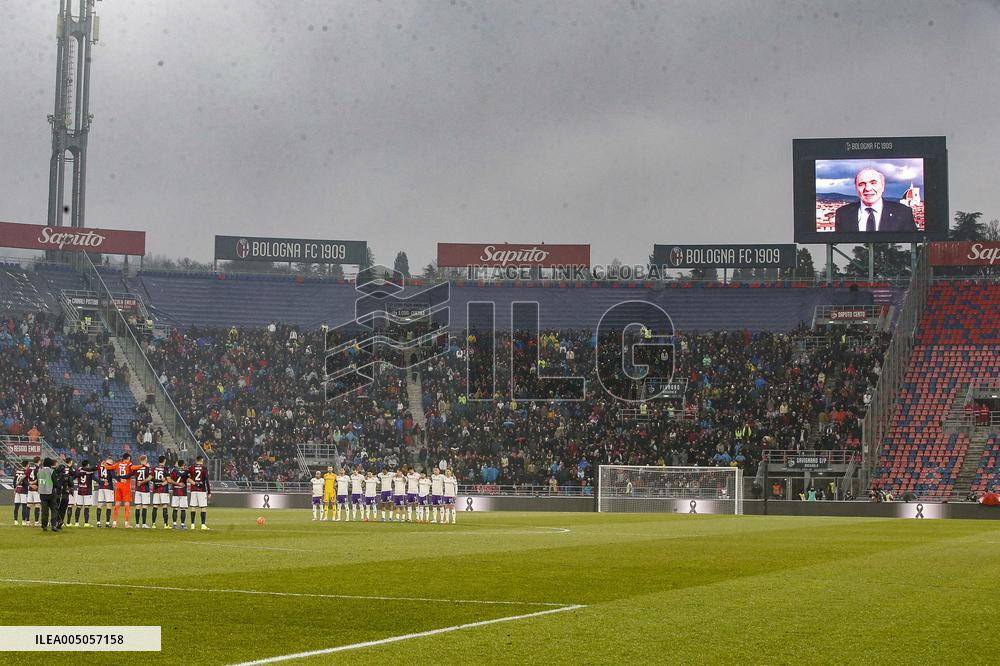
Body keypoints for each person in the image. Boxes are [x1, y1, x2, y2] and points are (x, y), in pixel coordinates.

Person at [834, 168, 918, 233]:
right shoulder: (843, 213)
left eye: (873, 183)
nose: (867, 188)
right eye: (861, 184)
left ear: (883, 186)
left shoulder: (903, 212)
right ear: (856, 188)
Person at [188, 455, 211, 530]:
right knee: (203, 507)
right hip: (202, 490)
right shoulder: (204, 468)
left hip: (193, 490)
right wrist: (209, 492)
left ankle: (192, 525)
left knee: (193, 506)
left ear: (196, 460)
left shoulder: (191, 468)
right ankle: (203, 525)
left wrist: (195, 483)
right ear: (201, 460)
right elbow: (207, 481)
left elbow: (188, 479)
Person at [37, 458, 60, 532]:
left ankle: (44, 526)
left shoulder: (39, 471)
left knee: (44, 511)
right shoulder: (51, 471)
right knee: (54, 509)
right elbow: (55, 483)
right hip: (50, 493)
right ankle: (53, 525)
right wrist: (58, 487)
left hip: (42, 493)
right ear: (50, 464)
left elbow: (38, 482)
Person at [111, 453, 135, 528]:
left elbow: (112, 472)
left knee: (117, 504)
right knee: (127, 504)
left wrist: (119, 478)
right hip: (126, 486)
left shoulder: (118, 464)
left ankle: (114, 523)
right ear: (128, 458)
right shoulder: (129, 464)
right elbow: (132, 472)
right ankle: (126, 523)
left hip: (118, 485)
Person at [168, 459, 191, 529]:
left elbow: (170, 480)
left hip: (175, 492)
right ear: (183, 465)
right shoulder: (186, 472)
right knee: (183, 509)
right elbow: (189, 478)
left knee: (175, 509)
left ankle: (174, 524)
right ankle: (182, 524)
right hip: (183, 492)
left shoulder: (174, 471)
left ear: (178, 465)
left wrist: (176, 484)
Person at [73, 460, 95, 527]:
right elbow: (94, 478)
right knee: (86, 507)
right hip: (87, 491)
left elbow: (74, 476)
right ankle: (86, 523)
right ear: (87, 465)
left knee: (78, 506)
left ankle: (76, 523)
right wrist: (101, 482)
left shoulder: (79, 470)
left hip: (80, 490)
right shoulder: (90, 471)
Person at [132, 455, 153, 529]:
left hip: (138, 489)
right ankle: (144, 524)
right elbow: (150, 478)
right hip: (145, 489)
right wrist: (142, 482)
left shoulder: (137, 468)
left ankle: (137, 524)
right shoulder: (148, 468)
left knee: (137, 506)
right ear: (145, 460)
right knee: (144, 506)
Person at [96, 455, 115, 528]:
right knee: (109, 505)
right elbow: (113, 476)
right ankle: (107, 523)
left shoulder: (100, 466)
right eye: (112, 462)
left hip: (101, 487)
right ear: (110, 461)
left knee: (100, 504)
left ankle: (98, 522)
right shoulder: (110, 467)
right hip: (108, 487)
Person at [151, 456, 170, 528]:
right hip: (164, 490)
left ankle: (153, 524)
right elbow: (168, 480)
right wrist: (161, 483)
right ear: (164, 460)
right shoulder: (166, 469)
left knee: (155, 506)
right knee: (164, 506)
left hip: (156, 489)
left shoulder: (154, 468)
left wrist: (157, 483)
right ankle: (166, 525)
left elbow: (151, 479)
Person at [25, 456, 41, 527]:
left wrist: (30, 484)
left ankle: (27, 522)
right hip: (36, 489)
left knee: (28, 505)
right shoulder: (38, 469)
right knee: (37, 505)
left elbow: (24, 478)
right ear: (39, 461)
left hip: (30, 489)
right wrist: (34, 484)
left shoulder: (29, 469)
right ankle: (36, 522)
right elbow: (39, 478)